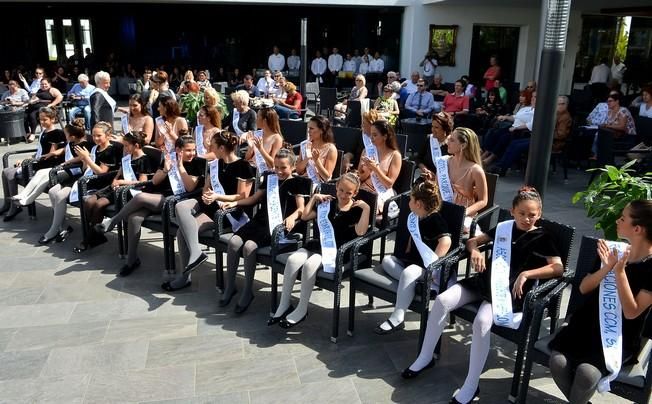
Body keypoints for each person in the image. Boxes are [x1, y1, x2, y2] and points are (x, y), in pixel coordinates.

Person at [403, 187, 563, 404]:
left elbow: (558, 268)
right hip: (483, 281)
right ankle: (425, 357)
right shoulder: (504, 228)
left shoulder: (543, 236)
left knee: (481, 322)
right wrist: (476, 251)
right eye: (522, 213)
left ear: (539, 214)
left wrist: (527, 273)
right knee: (442, 300)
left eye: (532, 214)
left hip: (506, 292)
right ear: (512, 211)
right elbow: (472, 241)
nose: (527, 218)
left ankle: (471, 383)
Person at [548, 200, 652, 403]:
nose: (617, 221)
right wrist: (606, 268)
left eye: (622, 218)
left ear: (637, 229)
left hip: (618, 335)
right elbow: (583, 287)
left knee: (588, 374)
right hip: (586, 325)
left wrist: (619, 272)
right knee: (558, 362)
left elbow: (632, 312)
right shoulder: (613, 250)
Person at [270, 172, 371, 328]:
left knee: (310, 265)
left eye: (348, 192)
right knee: (292, 260)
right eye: (341, 190)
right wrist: (314, 199)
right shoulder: (328, 203)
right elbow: (304, 217)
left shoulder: (356, 210)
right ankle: (284, 304)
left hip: (337, 251)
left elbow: (361, 232)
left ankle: (301, 310)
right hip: (317, 245)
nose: (343, 195)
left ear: (355, 193)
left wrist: (367, 209)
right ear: (336, 187)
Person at [96, 136, 205, 271]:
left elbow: (190, 187)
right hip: (157, 196)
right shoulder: (169, 158)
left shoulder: (196, 163)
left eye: (193, 150)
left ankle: (113, 221)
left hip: (175, 199)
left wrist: (181, 167)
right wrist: (166, 170)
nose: (192, 153)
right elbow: (154, 181)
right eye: (188, 150)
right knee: (134, 218)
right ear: (178, 150)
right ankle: (131, 260)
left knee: (140, 197)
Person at [167, 131, 255, 290]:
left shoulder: (243, 166)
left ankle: (184, 276)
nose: (209, 148)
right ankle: (196, 252)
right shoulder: (215, 164)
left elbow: (242, 196)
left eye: (212, 145)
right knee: (180, 206)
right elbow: (206, 189)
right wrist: (208, 195)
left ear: (221, 148)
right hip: (210, 205)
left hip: (228, 212)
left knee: (182, 232)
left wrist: (217, 197)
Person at [220, 149, 305, 313]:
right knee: (234, 241)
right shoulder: (270, 179)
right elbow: (254, 198)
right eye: (277, 167)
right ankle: (230, 285)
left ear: (293, 167)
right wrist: (236, 204)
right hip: (260, 220)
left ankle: (247, 290)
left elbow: (301, 208)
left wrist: (293, 217)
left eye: (283, 167)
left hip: (276, 226)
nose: (279, 171)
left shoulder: (298, 183)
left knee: (249, 246)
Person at [375, 180, 452, 334]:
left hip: (425, 266)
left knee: (409, 273)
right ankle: (415, 286)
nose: (409, 201)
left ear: (418, 203)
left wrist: (433, 263)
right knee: (386, 261)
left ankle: (398, 317)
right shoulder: (416, 216)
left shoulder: (434, 218)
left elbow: (446, 241)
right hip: (410, 262)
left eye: (411, 199)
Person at [80, 131, 154, 251]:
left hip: (128, 191)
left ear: (136, 145)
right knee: (89, 202)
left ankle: (90, 238)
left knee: (99, 205)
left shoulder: (144, 160)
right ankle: (96, 235)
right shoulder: (127, 158)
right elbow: (119, 173)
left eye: (126, 145)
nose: (124, 148)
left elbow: (142, 182)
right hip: (115, 187)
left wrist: (121, 182)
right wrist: (115, 180)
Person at [2, 108, 66, 220]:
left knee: (10, 173)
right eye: (40, 120)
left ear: (53, 119)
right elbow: (39, 151)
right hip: (37, 161)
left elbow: (49, 156)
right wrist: (27, 159)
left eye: (45, 120)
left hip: (45, 164)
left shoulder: (57, 133)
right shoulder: (43, 132)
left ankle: (14, 207)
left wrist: (31, 161)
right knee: (5, 171)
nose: (42, 122)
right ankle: (8, 204)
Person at [488, 95, 569, 177]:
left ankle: (501, 168)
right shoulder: (555, 114)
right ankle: (500, 166)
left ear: (565, 105)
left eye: (561, 104)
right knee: (514, 143)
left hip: (550, 143)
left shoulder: (565, 117)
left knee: (517, 146)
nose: (558, 106)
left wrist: (544, 133)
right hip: (540, 139)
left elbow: (561, 135)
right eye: (557, 104)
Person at [33, 119, 88, 241]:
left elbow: (86, 168)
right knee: (53, 191)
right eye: (94, 135)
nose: (95, 138)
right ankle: (61, 228)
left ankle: (53, 231)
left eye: (99, 136)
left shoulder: (86, 146)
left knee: (60, 194)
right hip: (74, 175)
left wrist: (86, 159)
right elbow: (65, 152)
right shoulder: (73, 144)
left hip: (83, 179)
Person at [358, 120, 402, 214]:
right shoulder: (367, 151)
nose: (371, 138)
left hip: (379, 193)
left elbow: (389, 184)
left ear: (385, 137)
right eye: (370, 134)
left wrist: (375, 169)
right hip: (363, 189)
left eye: (375, 135)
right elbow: (360, 178)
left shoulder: (394, 155)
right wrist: (367, 171)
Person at [482, 91, 536, 166]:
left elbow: (531, 125)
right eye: (533, 96)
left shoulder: (537, 111)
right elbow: (515, 117)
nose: (533, 99)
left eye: (535, 97)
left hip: (521, 131)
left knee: (503, 138)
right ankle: (486, 153)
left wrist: (516, 128)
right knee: (495, 133)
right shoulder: (526, 108)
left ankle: (491, 158)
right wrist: (505, 117)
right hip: (512, 127)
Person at [296, 115, 338, 184]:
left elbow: (326, 177)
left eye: (311, 128)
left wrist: (316, 160)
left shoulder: (331, 149)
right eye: (308, 128)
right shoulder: (304, 144)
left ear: (321, 130)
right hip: (304, 181)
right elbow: (298, 171)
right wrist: (306, 159)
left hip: (319, 185)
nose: (308, 131)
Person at [23, 77, 63, 143]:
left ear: (49, 84)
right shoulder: (39, 90)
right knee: (24, 115)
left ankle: (33, 134)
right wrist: (31, 101)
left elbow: (60, 97)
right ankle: (27, 133)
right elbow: (33, 98)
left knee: (32, 115)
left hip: (45, 108)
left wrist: (51, 104)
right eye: (42, 84)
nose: (44, 85)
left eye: (45, 84)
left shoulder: (52, 90)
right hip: (34, 106)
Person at [416, 111, 453, 181]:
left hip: (447, 182)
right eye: (432, 126)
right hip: (428, 179)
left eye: (436, 127)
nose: (432, 130)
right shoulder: (429, 139)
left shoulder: (453, 143)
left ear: (445, 129)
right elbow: (418, 159)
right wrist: (425, 170)